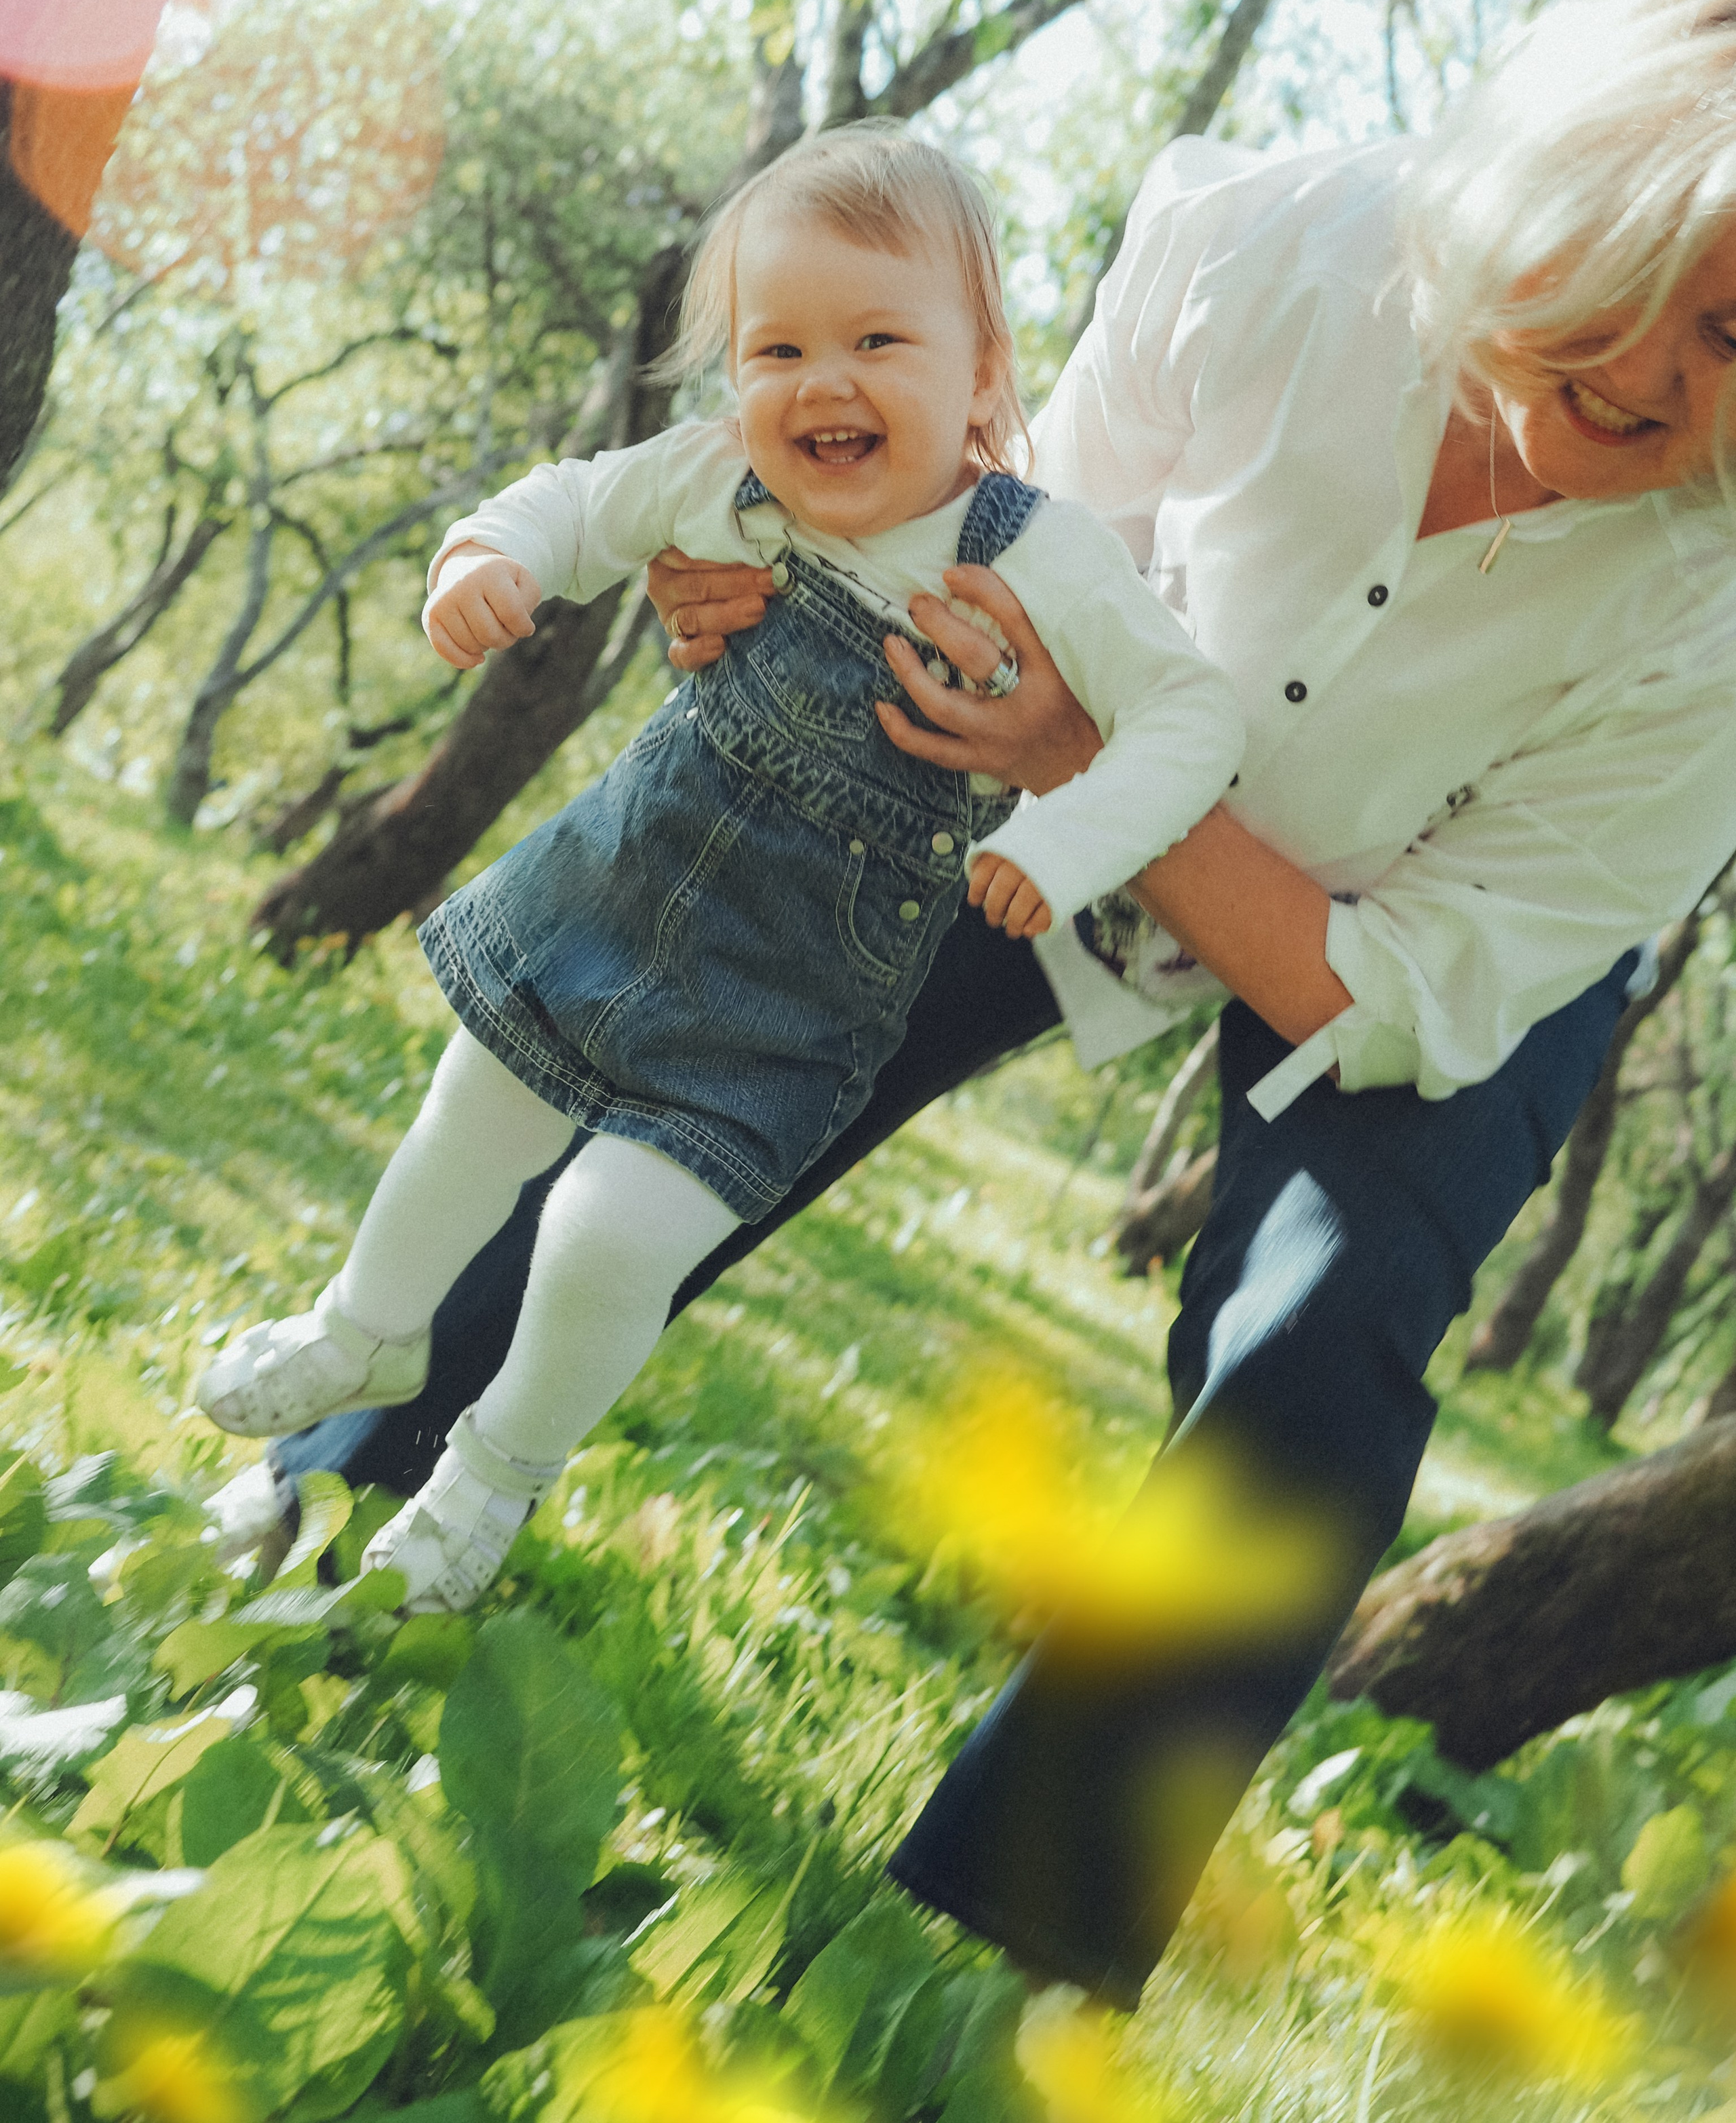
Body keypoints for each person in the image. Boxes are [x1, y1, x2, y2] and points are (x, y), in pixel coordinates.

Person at [251, 0, 1736, 2006]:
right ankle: (330, 1517)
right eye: (1635, 280)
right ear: (1529, 195)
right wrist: (792, 580)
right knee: (706, 1071)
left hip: (1422, 936)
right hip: (1037, 737)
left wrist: (1093, 764)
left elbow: (1399, 989)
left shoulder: (1713, 617)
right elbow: (997, 538)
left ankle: (986, 1969)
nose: (1657, 373)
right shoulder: (1278, 248)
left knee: (1319, 1361)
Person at [192, 128, 1242, 1615]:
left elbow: (1193, 715)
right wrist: (485, 560)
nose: (823, 383)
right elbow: (575, 502)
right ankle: (364, 1325)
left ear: (983, 373)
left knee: (607, 1234)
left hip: (782, 1001)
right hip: (606, 900)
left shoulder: (1038, 557)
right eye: (777, 349)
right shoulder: (720, 482)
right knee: (469, 1110)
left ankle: (492, 1471)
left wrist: (1062, 839)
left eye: (878, 341)